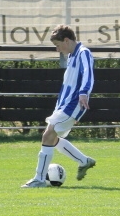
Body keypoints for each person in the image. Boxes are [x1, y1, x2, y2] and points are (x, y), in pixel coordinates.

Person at [22, 25, 97, 188]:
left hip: (74, 104)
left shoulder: (83, 53)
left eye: (58, 45)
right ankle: (84, 161)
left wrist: (84, 93)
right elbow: (68, 85)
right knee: (53, 138)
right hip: (65, 105)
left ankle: (39, 179)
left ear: (67, 40)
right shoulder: (71, 56)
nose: (57, 50)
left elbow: (88, 73)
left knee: (48, 135)